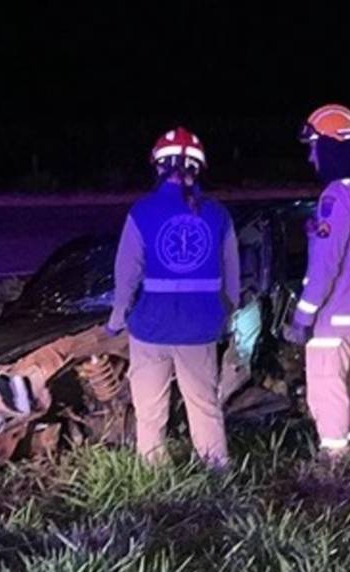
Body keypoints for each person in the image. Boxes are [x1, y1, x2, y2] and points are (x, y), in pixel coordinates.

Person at [105, 127, 240, 468]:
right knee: (205, 405)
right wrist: (225, 315)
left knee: (149, 411)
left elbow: (127, 273)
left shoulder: (142, 211)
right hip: (199, 329)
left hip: (150, 328)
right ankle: (216, 472)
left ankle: (154, 475)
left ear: (159, 166)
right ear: (198, 167)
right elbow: (232, 277)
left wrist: (117, 318)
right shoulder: (218, 214)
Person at [282, 104, 350, 457]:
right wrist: (318, 235)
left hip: (334, 313)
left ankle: (335, 465)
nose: (312, 157)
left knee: (327, 390)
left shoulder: (336, 194)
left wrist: (302, 316)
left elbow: (326, 266)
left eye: (314, 147)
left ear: (329, 146)